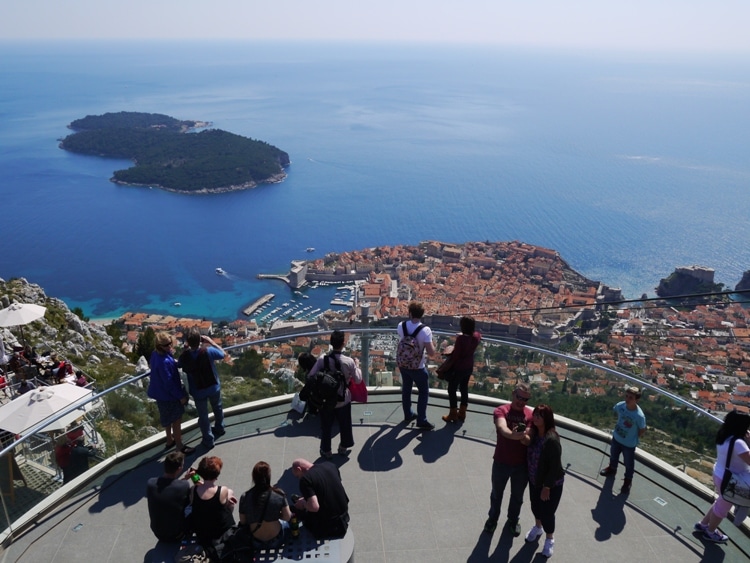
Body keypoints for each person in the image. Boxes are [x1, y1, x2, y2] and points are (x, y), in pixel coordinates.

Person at [485, 383, 533, 537]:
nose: (521, 401)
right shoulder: (501, 410)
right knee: (496, 494)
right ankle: (492, 519)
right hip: (501, 461)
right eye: (519, 397)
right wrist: (515, 435)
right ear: (513, 394)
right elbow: (502, 428)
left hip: (521, 465)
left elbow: (529, 440)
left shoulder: (530, 415)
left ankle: (513, 520)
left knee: (517, 496)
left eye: (525, 399)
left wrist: (523, 437)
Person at [695, 410, 750, 543]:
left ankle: (703, 524)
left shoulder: (724, 436)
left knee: (720, 502)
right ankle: (710, 532)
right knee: (722, 509)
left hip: (720, 474)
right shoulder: (739, 443)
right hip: (731, 481)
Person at [307, 330, 362, 458]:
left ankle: (326, 451)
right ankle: (343, 447)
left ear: (331, 342)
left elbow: (311, 375)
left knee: (326, 426)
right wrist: (357, 365)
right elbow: (358, 380)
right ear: (344, 343)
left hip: (326, 400)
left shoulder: (322, 359)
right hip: (343, 399)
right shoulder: (349, 361)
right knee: (345, 424)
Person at [524, 404, 565, 558]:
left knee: (547, 513)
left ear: (546, 419)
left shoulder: (551, 439)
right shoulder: (534, 434)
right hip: (535, 480)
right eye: (535, 414)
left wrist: (547, 487)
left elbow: (554, 467)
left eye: (539, 416)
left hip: (551, 485)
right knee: (535, 507)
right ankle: (538, 527)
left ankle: (549, 539)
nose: (535, 417)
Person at [178, 330, 226, 449]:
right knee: (217, 407)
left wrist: (185, 349)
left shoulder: (185, 356)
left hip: (198, 390)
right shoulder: (208, 351)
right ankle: (220, 428)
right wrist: (211, 342)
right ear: (200, 340)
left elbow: (179, 364)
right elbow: (223, 354)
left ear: (188, 342)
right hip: (213, 386)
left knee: (203, 416)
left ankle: (208, 440)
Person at [148, 332, 194, 455]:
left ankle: (169, 440)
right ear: (159, 345)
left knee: (167, 419)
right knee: (176, 420)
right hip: (169, 396)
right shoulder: (163, 362)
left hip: (160, 394)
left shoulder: (155, 354)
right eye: (166, 345)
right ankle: (179, 446)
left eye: (170, 343)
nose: (169, 346)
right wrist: (180, 397)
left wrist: (182, 353)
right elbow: (168, 383)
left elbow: (172, 364)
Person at [599, 385, 647, 494]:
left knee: (629, 464)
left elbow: (642, 429)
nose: (627, 399)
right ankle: (612, 469)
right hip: (617, 438)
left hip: (629, 444)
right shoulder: (621, 406)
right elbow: (617, 412)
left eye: (631, 398)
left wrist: (633, 438)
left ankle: (627, 481)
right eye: (627, 396)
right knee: (613, 456)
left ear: (637, 400)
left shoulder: (639, 416)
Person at [397, 301, 437, 430]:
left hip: (403, 364)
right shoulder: (425, 330)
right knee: (423, 392)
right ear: (422, 314)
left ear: (409, 313)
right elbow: (431, 353)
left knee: (406, 389)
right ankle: (421, 419)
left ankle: (408, 414)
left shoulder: (401, 325)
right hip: (418, 366)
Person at [290, 458, 350, 540]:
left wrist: (303, 503)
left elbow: (314, 507)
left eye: (298, 476)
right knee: (305, 500)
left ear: (299, 469)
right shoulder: (330, 465)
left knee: (297, 510)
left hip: (329, 527)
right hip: (344, 516)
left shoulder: (305, 480)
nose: (299, 478)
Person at [238, 461, 292, 549]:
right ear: (268, 477)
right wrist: (275, 514)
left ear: (254, 477)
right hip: (277, 539)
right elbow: (287, 517)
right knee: (287, 524)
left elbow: (243, 521)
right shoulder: (278, 494)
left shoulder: (245, 497)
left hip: (256, 541)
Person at [189, 456, 237, 545]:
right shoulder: (223, 490)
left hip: (202, 531)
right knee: (230, 494)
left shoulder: (193, 489)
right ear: (216, 475)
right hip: (219, 531)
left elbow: (202, 487)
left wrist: (195, 477)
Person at [441, 316, 481, 423]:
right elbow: (477, 334)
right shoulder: (476, 337)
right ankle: (462, 413)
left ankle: (453, 414)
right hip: (469, 366)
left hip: (459, 367)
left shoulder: (461, 340)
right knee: (464, 388)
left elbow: (456, 356)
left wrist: (449, 351)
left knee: (452, 389)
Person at [146, 451, 191, 542]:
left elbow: (170, 488)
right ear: (179, 468)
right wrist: (195, 477)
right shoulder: (184, 486)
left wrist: (183, 479)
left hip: (157, 533)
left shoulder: (150, 483)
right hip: (177, 535)